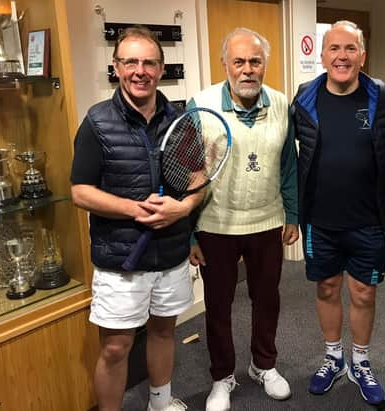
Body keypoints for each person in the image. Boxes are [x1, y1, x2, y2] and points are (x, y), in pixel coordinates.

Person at [71, 26, 200, 411]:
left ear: (161, 69)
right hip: (120, 259)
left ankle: (160, 401)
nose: (139, 70)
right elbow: (80, 191)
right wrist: (134, 209)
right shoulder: (97, 122)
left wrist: (184, 207)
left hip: (170, 253)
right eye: (130, 62)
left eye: (148, 62)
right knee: (115, 347)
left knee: (164, 330)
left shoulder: (179, 120)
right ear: (116, 67)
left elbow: (198, 182)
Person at [187, 27, 299, 411]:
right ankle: (222, 376)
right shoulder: (200, 104)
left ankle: (263, 365)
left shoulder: (282, 104)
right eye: (239, 61)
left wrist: (293, 212)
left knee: (267, 299)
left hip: (268, 221)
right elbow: (184, 172)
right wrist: (189, 235)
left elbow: (288, 165)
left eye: (255, 61)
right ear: (225, 65)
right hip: (215, 225)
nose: (247, 69)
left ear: (264, 64)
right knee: (217, 305)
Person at [290, 20, 385, 406]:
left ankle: (361, 362)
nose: (342, 56)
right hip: (320, 219)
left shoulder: (380, 95)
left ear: (362, 55)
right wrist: (292, 213)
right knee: (327, 288)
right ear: (322, 55)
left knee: (364, 293)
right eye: (334, 49)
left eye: (350, 49)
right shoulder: (305, 97)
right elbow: (289, 161)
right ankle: (333, 358)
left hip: (369, 219)